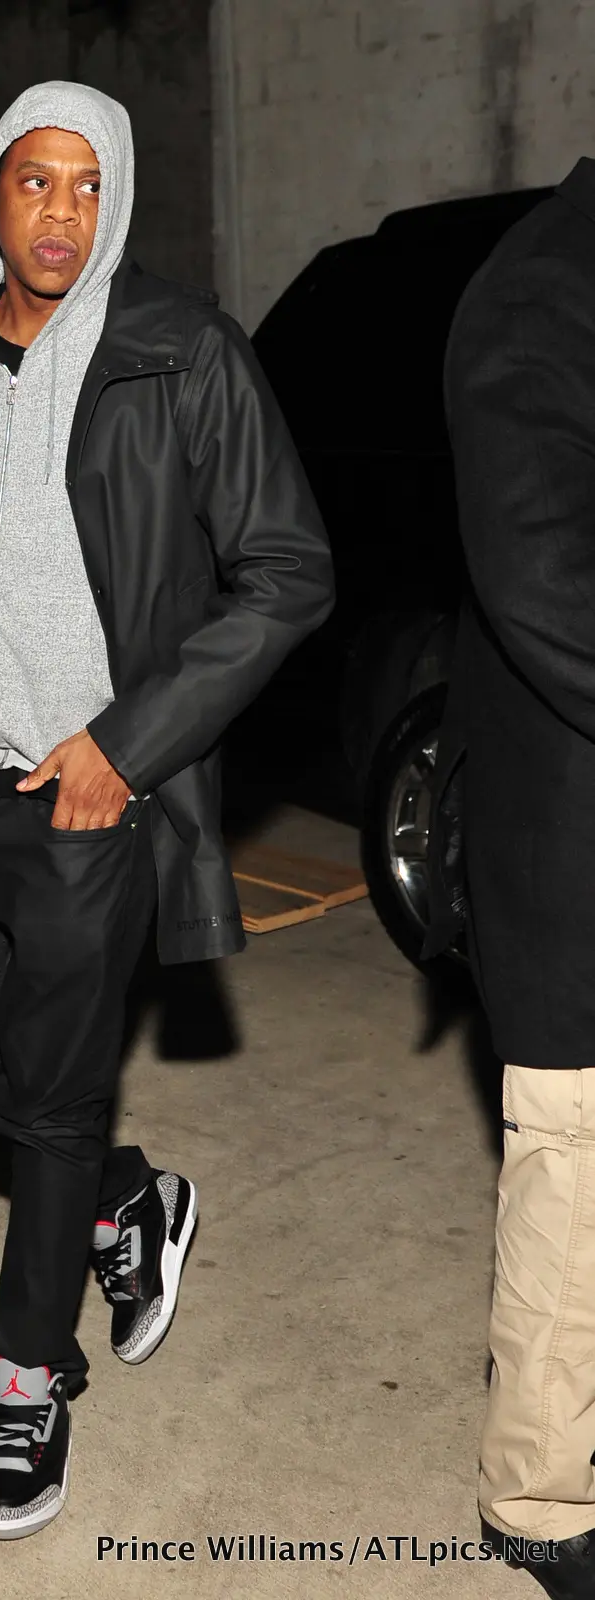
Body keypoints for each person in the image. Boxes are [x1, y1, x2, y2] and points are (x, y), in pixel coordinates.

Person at [0, 82, 333, 1540]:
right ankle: (129, 1202)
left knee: (55, 1100)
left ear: (112, 201)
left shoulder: (180, 354)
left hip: (91, 801)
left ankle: (26, 1376)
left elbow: (288, 572)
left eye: (90, 185)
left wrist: (125, 749)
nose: (63, 212)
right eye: (37, 181)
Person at [427, 158, 595, 1598]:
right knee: (571, 1162)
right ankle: (539, 1499)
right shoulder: (542, 288)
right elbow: (541, 574)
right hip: (571, 837)